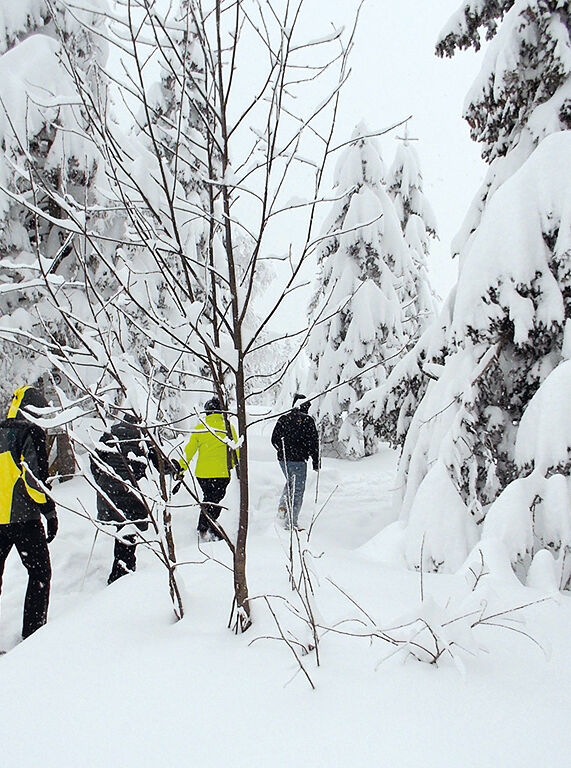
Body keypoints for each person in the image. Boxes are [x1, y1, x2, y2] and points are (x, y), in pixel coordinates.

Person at [0, 386, 58, 639]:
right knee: (39, 573)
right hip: (23, 518)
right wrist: (49, 510)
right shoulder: (30, 432)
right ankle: (33, 637)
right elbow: (35, 480)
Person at [90, 414, 152, 584]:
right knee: (129, 535)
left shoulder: (109, 433)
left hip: (109, 492)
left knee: (122, 532)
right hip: (131, 492)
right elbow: (158, 461)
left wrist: (102, 480)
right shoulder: (142, 436)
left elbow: (94, 459)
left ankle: (121, 572)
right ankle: (122, 576)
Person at [178, 397, 239, 542]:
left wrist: (181, 468)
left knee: (209, 498)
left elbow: (189, 451)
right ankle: (209, 527)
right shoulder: (228, 427)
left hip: (202, 474)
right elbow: (236, 450)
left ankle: (205, 526)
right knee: (215, 501)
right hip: (222, 474)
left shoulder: (201, 428)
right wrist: (233, 465)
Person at [271, 394, 319, 530]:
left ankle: (283, 507)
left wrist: (282, 450)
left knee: (291, 482)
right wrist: (316, 462)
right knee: (297, 490)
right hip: (299, 461)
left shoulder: (283, 419)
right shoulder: (308, 421)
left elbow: (273, 439)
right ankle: (291, 523)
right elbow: (314, 444)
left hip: (283, 460)